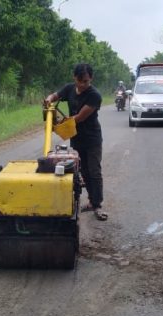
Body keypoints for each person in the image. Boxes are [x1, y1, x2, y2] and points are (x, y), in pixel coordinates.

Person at [44, 64, 107, 221]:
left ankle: (97, 204)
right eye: (80, 80)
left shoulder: (94, 96)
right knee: (83, 171)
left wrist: (60, 124)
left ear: (90, 79)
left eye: (86, 81)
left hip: (92, 138)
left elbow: (79, 118)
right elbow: (55, 95)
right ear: (75, 78)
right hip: (77, 137)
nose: (82, 85)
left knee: (94, 171)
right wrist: (49, 99)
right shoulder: (70, 89)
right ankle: (91, 201)